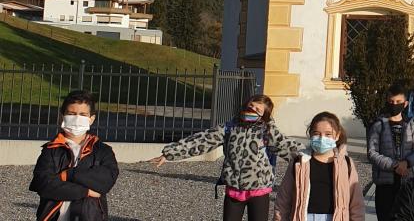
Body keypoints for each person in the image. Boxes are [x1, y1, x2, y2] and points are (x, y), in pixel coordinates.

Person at [150, 94, 302, 221]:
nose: (252, 109)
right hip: (234, 189)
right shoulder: (230, 127)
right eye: (251, 105)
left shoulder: (267, 131)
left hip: (259, 190)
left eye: (257, 109)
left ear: (264, 115)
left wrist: (311, 155)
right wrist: (170, 153)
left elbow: (286, 146)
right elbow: (203, 140)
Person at [30, 90, 119, 221]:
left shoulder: (103, 151)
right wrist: (85, 191)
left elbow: (106, 181)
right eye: (72, 114)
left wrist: (68, 175)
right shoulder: (51, 149)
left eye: (83, 114)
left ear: (91, 119)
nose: (77, 119)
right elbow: (44, 184)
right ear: (62, 117)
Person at [274, 111, 364, 221]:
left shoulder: (346, 163)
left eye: (328, 134)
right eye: (317, 133)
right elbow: (284, 198)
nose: (322, 138)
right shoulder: (299, 162)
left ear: (337, 135)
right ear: (310, 134)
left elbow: (356, 201)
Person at [368, 83, 414, 221]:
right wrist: (394, 165)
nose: (394, 104)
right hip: (384, 183)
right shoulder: (378, 125)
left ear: (405, 104)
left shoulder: (411, 125)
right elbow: (372, 152)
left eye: (398, 102)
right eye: (391, 102)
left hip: (406, 182)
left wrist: (406, 163)